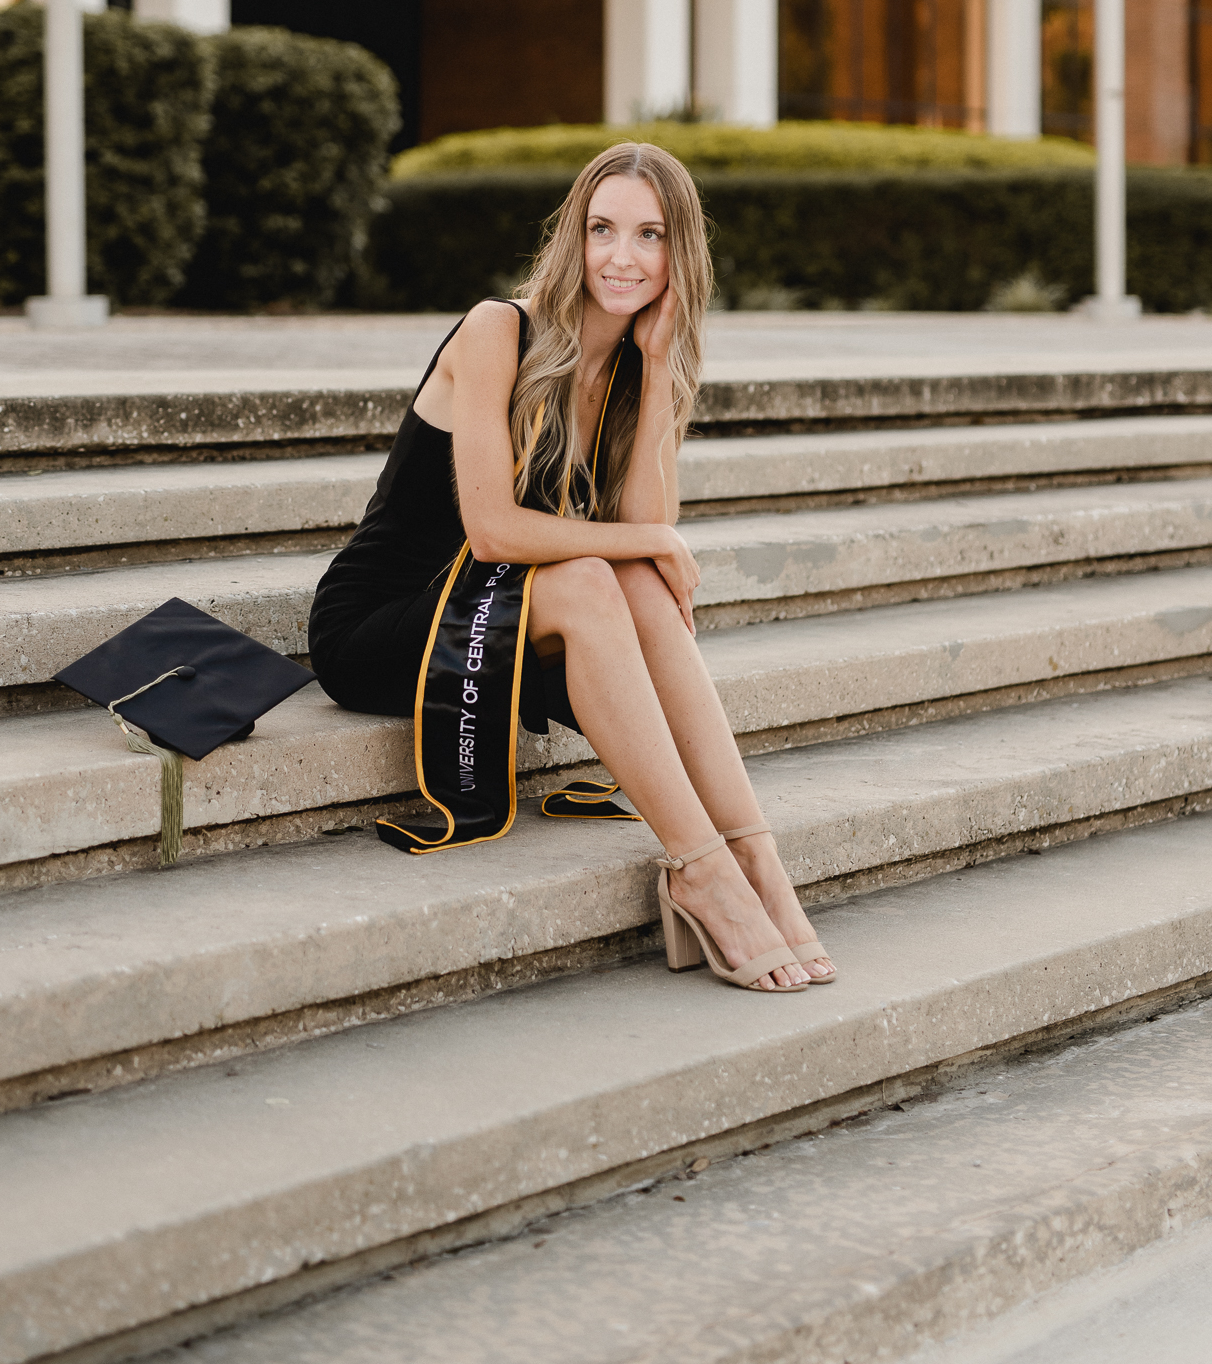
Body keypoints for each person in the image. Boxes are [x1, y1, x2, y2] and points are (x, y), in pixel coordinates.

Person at [308, 142, 834, 992]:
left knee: (627, 577)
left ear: (679, 253)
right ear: (573, 239)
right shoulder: (497, 330)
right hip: (385, 621)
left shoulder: (632, 366)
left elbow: (643, 530)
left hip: (505, 615)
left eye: (649, 236)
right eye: (602, 230)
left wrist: (660, 365)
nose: (621, 258)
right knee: (603, 573)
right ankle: (697, 867)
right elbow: (492, 533)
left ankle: (755, 859)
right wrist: (652, 544)